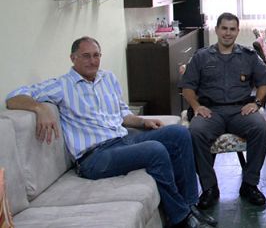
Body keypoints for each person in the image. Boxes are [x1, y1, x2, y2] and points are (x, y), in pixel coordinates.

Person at [5, 37, 215, 228]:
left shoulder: (108, 78)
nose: (92, 61)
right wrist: (40, 108)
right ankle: (180, 219)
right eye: (86, 56)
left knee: (179, 133)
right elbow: (14, 97)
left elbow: (122, 115)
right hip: (94, 158)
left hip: (122, 140)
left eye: (96, 55)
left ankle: (189, 207)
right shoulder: (62, 85)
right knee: (155, 150)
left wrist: (143, 122)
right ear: (73, 58)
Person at [180, 13, 266, 209]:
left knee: (261, 129)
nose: (228, 33)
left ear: (238, 31)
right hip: (211, 112)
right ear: (217, 30)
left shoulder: (249, 56)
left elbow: (265, 82)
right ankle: (210, 187)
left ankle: (249, 184)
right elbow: (187, 87)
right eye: (224, 28)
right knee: (195, 132)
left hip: (240, 111)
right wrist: (197, 107)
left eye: (232, 29)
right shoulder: (201, 56)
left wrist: (256, 103)